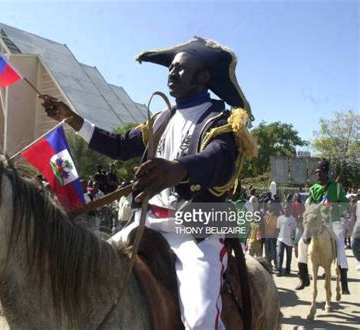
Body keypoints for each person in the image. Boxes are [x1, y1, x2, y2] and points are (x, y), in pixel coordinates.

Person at [41, 37, 257, 329]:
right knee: (83, 270)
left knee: (200, 321)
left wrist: (178, 169)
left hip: (196, 231)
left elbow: (217, 160)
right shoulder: (159, 120)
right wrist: (72, 119)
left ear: (203, 77)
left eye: (180, 69)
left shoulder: (221, 121)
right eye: (170, 69)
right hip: (148, 221)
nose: (171, 73)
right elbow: (117, 146)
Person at [295, 159, 350, 294]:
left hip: (334, 222)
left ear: (326, 172)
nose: (317, 175)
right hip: (318, 222)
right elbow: (310, 205)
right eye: (316, 173)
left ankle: (344, 281)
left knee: (340, 246)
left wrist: (334, 207)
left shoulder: (337, 187)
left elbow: (344, 204)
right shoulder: (314, 189)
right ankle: (303, 277)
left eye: (320, 173)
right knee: (302, 243)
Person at [276, 202, 296, 276]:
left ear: (290, 209)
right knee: (279, 255)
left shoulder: (293, 219)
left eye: (288, 208)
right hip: (281, 240)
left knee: (289, 256)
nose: (286, 209)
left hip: (289, 241)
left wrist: (293, 239)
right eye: (285, 208)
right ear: (283, 209)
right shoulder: (280, 218)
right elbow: (278, 229)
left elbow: (294, 230)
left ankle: (288, 270)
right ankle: (279, 270)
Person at [263, 200, 279, 269]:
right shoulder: (264, 214)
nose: (270, 205)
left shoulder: (276, 214)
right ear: (267, 205)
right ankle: (269, 265)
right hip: (266, 236)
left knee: (274, 251)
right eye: (269, 204)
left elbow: (278, 226)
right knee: (267, 251)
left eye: (271, 204)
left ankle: (276, 265)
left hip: (273, 236)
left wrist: (276, 233)